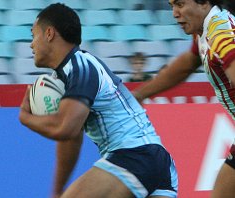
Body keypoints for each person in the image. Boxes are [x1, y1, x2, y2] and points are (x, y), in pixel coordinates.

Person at [19, 3, 178, 198]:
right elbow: (70, 137)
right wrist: (57, 192)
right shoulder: (68, 76)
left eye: (33, 35)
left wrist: (25, 118)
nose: (31, 44)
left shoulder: (80, 67)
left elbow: (65, 128)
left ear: (49, 33)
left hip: (134, 156)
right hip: (157, 165)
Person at [133, 1, 235, 197]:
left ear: (204, 3)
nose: (174, 13)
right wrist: (140, 94)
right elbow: (188, 63)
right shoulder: (205, 30)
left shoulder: (220, 35)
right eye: (171, 5)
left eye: (179, 4)